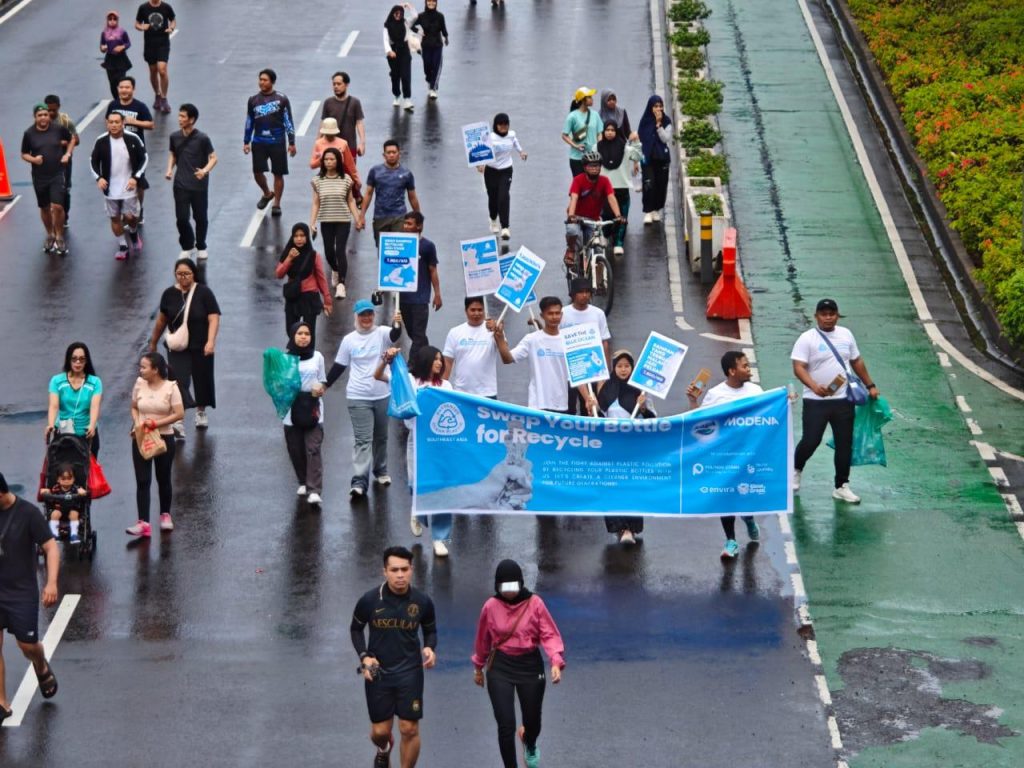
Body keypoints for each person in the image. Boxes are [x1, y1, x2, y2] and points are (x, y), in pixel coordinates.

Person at [472, 559, 565, 768]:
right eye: (504, 587)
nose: (509, 592)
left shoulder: (535, 603)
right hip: (501, 666)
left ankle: (529, 742)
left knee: (533, 722)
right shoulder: (490, 606)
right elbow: (482, 639)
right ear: (497, 586)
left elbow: (549, 634)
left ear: (521, 583)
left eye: (513, 586)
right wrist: (478, 667)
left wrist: (555, 661)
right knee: (505, 725)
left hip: (529, 665)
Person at [351, 546, 437, 768]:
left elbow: (430, 630)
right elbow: (356, 629)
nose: (400, 575)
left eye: (404, 569)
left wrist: (430, 648)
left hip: (410, 672)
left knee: (409, 728)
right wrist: (364, 657)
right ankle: (384, 748)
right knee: (380, 732)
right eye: (394, 570)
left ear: (411, 569)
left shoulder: (422, 601)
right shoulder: (370, 600)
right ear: (385, 571)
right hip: (378, 672)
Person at [792, 299, 879, 503]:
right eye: (824, 314)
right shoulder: (807, 339)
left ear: (837, 315)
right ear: (816, 316)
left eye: (832, 314)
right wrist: (814, 386)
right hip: (815, 400)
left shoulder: (846, 334)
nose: (828, 317)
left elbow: (856, 361)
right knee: (811, 440)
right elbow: (798, 367)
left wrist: (870, 385)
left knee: (844, 444)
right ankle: (796, 470)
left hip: (843, 400)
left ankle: (841, 486)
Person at [375, 345, 454, 556]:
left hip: (442, 443)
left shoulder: (446, 385)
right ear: (426, 361)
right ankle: (417, 511)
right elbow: (378, 376)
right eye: (435, 359)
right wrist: (387, 359)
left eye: (440, 359)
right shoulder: (410, 381)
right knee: (415, 483)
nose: (439, 363)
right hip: (417, 439)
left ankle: (440, 539)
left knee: (442, 489)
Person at [687, 350, 763, 558]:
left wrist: (786, 401)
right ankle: (731, 541)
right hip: (724, 455)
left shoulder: (756, 391)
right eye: (744, 366)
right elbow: (700, 422)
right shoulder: (715, 394)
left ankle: (748, 518)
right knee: (725, 496)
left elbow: (769, 413)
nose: (749, 370)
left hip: (749, 454)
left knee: (745, 493)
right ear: (732, 371)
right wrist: (693, 401)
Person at [325, 301, 403, 497]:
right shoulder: (349, 340)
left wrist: (397, 323)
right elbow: (339, 366)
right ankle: (359, 482)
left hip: (382, 394)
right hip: (357, 396)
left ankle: (381, 471)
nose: (366, 318)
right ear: (356, 317)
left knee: (381, 437)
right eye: (362, 315)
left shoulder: (382, 333)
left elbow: (394, 335)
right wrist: (325, 385)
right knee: (363, 440)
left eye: (369, 314)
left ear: (373, 316)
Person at [0, 471, 60, 724]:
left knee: (27, 646)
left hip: (21, 591)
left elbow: (50, 547)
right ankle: (2, 702)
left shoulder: (28, 514)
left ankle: (40, 662)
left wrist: (51, 583)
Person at [148, 258, 221, 436]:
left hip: (201, 345)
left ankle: (201, 411)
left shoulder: (204, 293)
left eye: (187, 273)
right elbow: (161, 320)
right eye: (179, 274)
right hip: (177, 346)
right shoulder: (168, 294)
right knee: (178, 381)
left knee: (202, 378)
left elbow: (213, 318)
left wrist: (210, 341)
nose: (183, 277)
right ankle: (178, 419)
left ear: (194, 274)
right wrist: (153, 342)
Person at [594, 349, 655, 543]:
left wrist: (643, 407)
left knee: (631, 485)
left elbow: (653, 419)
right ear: (613, 368)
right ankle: (620, 528)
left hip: (633, 447)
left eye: (627, 366)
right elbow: (598, 419)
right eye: (619, 366)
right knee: (612, 485)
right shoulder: (605, 391)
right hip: (611, 446)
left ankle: (631, 528)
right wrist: (592, 406)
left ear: (632, 368)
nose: (623, 369)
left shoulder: (641, 392)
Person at [128, 352, 184, 537]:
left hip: (164, 437)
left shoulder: (171, 387)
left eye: (144, 367)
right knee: (142, 480)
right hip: (142, 437)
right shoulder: (139, 383)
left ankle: (165, 515)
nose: (140, 370)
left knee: (163, 478)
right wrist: (137, 422)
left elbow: (179, 413)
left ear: (156, 370)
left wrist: (156, 423)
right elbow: (134, 407)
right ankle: (143, 522)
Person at [494, 296, 580, 413]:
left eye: (557, 313)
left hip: (561, 403)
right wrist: (500, 339)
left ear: (561, 315)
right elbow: (508, 359)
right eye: (550, 313)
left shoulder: (569, 340)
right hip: (537, 404)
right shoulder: (531, 339)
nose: (554, 317)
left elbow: (578, 372)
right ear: (542, 315)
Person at [90, 112, 147, 260]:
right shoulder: (101, 140)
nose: (114, 125)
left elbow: (144, 158)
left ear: (123, 123)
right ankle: (123, 246)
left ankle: (133, 233)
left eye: (117, 122)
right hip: (110, 189)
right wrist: (99, 178)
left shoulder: (133, 138)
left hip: (129, 187)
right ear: (107, 123)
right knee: (114, 218)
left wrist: (135, 177)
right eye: (111, 122)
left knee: (131, 217)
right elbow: (93, 161)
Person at [282, 322, 327, 507]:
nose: (303, 337)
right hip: (291, 410)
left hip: (313, 408)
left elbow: (323, 380)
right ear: (293, 336)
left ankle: (314, 490)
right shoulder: (285, 359)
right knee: (295, 449)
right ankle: (302, 480)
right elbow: (278, 384)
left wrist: (321, 388)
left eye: (307, 333)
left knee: (313, 448)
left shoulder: (317, 357)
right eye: (299, 333)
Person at [166, 103, 217, 261]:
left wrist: (204, 171)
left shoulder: (203, 138)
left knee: (200, 218)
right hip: (180, 184)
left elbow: (213, 158)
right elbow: (173, 154)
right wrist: (169, 169)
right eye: (179, 115)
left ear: (192, 119)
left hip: (198, 185)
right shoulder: (174, 137)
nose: (179, 119)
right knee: (181, 218)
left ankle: (201, 246)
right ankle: (187, 246)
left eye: (183, 116)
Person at [311, 147, 362, 300]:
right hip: (326, 220)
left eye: (332, 159)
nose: (329, 162)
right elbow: (316, 203)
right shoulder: (317, 180)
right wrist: (312, 223)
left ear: (338, 161)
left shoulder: (346, 179)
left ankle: (341, 284)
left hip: (343, 220)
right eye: (326, 159)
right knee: (328, 252)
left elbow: (351, 201)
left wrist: (358, 219)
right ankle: (335, 269)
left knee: (340, 250)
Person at [20, 103, 72, 255]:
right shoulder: (29, 134)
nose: (43, 118)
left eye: (45, 115)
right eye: (40, 115)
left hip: (57, 174)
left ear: (49, 116)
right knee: (44, 207)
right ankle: (50, 234)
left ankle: (59, 236)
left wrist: (67, 154)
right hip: (40, 177)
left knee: (58, 206)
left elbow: (72, 139)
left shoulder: (58, 129)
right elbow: (24, 153)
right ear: (35, 117)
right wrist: (34, 160)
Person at [244, 68, 296, 216]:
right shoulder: (253, 100)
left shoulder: (282, 99)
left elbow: (288, 120)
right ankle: (267, 193)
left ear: (272, 82)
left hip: (277, 141)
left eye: (265, 80)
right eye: (260, 79)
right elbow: (249, 121)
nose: (261, 82)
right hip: (259, 141)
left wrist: (291, 142)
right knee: (257, 172)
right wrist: (246, 141)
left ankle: (277, 204)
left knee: (278, 173)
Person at [106, 76, 155, 221]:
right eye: (121, 87)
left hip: (135, 151)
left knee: (138, 182)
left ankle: (138, 209)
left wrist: (135, 122)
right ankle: (124, 210)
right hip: (117, 149)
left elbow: (151, 124)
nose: (124, 90)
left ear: (133, 89)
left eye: (127, 87)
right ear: (117, 89)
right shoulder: (113, 105)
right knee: (119, 179)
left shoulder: (140, 106)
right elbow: (107, 121)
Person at [560, 278, 611, 415]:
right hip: (570, 370)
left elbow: (604, 341)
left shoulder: (598, 314)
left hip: (592, 370)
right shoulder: (563, 313)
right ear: (573, 294)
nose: (585, 295)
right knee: (569, 408)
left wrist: (606, 369)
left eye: (587, 292)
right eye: (581, 292)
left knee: (589, 408)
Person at [564, 150, 623, 267]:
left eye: (597, 166)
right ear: (585, 167)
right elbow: (574, 198)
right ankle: (571, 250)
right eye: (591, 166)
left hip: (593, 220)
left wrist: (618, 216)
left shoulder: (604, 181)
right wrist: (571, 216)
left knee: (598, 249)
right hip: (577, 217)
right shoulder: (578, 180)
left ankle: (600, 277)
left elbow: (611, 198)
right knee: (572, 230)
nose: (594, 169)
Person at [275, 223, 333, 344]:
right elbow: (279, 274)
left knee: (308, 333)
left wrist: (327, 299)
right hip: (293, 296)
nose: (299, 239)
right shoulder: (288, 253)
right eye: (296, 236)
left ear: (307, 237)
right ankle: (295, 353)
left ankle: (308, 354)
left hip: (309, 297)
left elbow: (321, 278)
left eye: (302, 235)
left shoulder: (314, 255)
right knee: (291, 331)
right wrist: (289, 259)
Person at [360, 140, 420, 247]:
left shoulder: (406, 173)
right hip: (380, 217)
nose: (391, 155)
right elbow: (368, 194)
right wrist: (362, 215)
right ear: (384, 155)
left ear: (399, 154)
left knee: (398, 248)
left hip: (399, 217)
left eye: (394, 152)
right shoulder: (375, 171)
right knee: (382, 249)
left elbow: (412, 197)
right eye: (388, 152)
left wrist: (418, 217)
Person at [398, 212, 441, 360]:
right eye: (405, 223)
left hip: (420, 299)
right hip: (403, 298)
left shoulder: (428, 246)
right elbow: (390, 267)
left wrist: (437, 294)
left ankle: (411, 366)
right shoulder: (399, 244)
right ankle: (429, 358)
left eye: (409, 224)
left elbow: (433, 270)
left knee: (418, 336)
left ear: (419, 226)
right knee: (415, 334)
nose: (406, 226)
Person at [47, 342, 103, 456]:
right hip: (63, 435)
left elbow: (94, 406)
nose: (78, 362)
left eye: (82, 359)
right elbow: (54, 405)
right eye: (74, 359)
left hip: (86, 434)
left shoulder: (95, 382)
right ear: (68, 360)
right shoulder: (56, 381)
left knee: (87, 466)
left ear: (86, 361)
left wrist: (92, 425)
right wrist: (51, 424)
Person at [597, 121, 642, 255]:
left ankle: (618, 243)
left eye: (612, 130)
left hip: (622, 187)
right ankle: (605, 235)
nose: (610, 132)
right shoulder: (597, 147)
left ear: (616, 132)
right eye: (607, 130)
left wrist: (636, 141)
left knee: (622, 217)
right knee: (606, 216)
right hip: (604, 188)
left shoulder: (625, 148)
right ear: (604, 132)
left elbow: (637, 156)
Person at [479, 112, 526, 239]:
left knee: (503, 196)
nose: (503, 126)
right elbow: (481, 151)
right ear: (496, 125)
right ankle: (493, 219)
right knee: (493, 198)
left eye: (506, 124)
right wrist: (480, 165)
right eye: (500, 124)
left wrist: (521, 152)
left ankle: (505, 227)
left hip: (506, 170)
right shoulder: (489, 137)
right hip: (491, 170)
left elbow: (515, 143)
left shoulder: (512, 135)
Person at [442, 296, 501, 398]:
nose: (477, 313)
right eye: (473, 310)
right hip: (461, 393)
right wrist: (441, 390)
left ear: (484, 310)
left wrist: (498, 333)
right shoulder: (454, 332)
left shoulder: (494, 330)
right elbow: (447, 362)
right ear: (466, 311)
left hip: (488, 394)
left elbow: (506, 355)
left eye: (480, 310)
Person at [134, 0, 175, 113]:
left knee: (162, 70)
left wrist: (171, 28)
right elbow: (137, 23)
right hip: (150, 44)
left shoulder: (166, 7)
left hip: (163, 43)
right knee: (153, 71)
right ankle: (157, 94)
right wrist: (142, 27)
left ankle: (164, 98)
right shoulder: (143, 7)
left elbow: (173, 20)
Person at [44, 96, 79, 226]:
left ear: (58, 107)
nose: (51, 113)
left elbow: (76, 140)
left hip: (64, 162)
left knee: (64, 190)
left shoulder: (65, 121)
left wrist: (64, 143)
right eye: (48, 110)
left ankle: (64, 216)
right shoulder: (41, 121)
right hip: (47, 162)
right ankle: (53, 215)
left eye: (53, 110)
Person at [638, 94, 672, 224]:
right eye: (655, 106)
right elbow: (640, 140)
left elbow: (665, 138)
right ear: (650, 107)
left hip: (662, 158)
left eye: (660, 106)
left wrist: (659, 125)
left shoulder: (667, 121)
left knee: (661, 184)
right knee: (648, 183)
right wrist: (636, 160)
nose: (658, 109)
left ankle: (656, 209)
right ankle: (648, 211)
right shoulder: (645, 121)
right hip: (647, 158)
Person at [321, 71, 366, 162]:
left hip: (349, 147)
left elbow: (359, 123)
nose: (336, 86)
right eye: (334, 84)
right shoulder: (328, 102)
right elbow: (322, 124)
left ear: (346, 85)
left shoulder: (355, 102)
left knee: (349, 171)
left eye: (339, 84)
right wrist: (318, 143)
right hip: (330, 148)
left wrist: (362, 143)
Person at [308, 118, 361, 193]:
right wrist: (322, 159)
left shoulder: (343, 143)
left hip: (340, 177)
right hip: (324, 178)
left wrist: (356, 179)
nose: (330, 135)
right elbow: (312, 165)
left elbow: (350, 164)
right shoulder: (318, 143)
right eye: (328, 134)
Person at [410, 0, 449, 99]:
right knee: (427, 66)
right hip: (426, 45)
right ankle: (429, 79)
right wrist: (419, 31)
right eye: (429, 1)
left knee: (436, 66)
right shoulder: (421, 16)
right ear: (426, 2)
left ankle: (433, 88)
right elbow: (411, 25)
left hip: (437, 45)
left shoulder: (440, 16)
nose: (431, 3)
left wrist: (446, 38)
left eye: (433, 1)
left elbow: (443, 29)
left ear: (436, 3)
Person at [561, 87, 603, 177]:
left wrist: (598, 146)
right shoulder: (572, 116)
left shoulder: (595, 115)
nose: (592, 99)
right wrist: (576, 146)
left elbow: (599, 133)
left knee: (592, 183)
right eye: (589, 97)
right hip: (577, 158)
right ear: (583, 100)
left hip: (593, 158)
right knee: (579, 182)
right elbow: (564, 135)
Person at [41, 464, 87, 544]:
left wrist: (82, 492)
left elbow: (82, 492)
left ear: (73, 479)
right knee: (54, 514)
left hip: (72, 509)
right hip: (59, 509)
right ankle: (54, 534)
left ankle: (74, 534)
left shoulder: (75, 488)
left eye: (69, 478)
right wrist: (46, 491)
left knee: (74, 514)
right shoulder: (56, 488)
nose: (66, 481)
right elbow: (49, 492)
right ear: (58, 479)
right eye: (63, 479)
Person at [383, 5, 415, 111]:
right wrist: (389, 51)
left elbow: (415, 16)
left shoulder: (405, 22)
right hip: (393, 52)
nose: (398, 15)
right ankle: (397, 95)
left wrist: (409, 6)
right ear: (392, 13)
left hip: (404, 51)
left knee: (406, 75)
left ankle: (407, 99)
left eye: (400, 13)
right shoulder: (387, 26)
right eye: (396, 13)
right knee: (395, 76)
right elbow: (385, 40)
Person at [99, 11, 133, 100]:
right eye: (110, 19)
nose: (112, 21)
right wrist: (103, 48)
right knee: (112, 82)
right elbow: (102, 45)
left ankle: (123, 98)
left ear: (117, 20)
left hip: (121, 59)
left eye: (114, 19)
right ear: (107, 20)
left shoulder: (122, 32)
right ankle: (117, 100)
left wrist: (122, 47)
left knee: (120, 81)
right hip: (110, 60)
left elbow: (128, 43)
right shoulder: (104, 33)